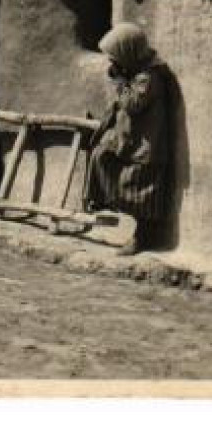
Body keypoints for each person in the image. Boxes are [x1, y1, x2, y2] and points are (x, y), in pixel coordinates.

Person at [83, 21, 173, 252]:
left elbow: (133, 104)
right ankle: (103, 204)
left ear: (129, 50)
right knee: (101, 156)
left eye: (116, 56)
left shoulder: (148, 77)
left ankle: (142, 238)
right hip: (133, 142)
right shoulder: (137, 73)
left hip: (146, 146)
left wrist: (120, 82)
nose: (113, 62)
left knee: (141, 191)